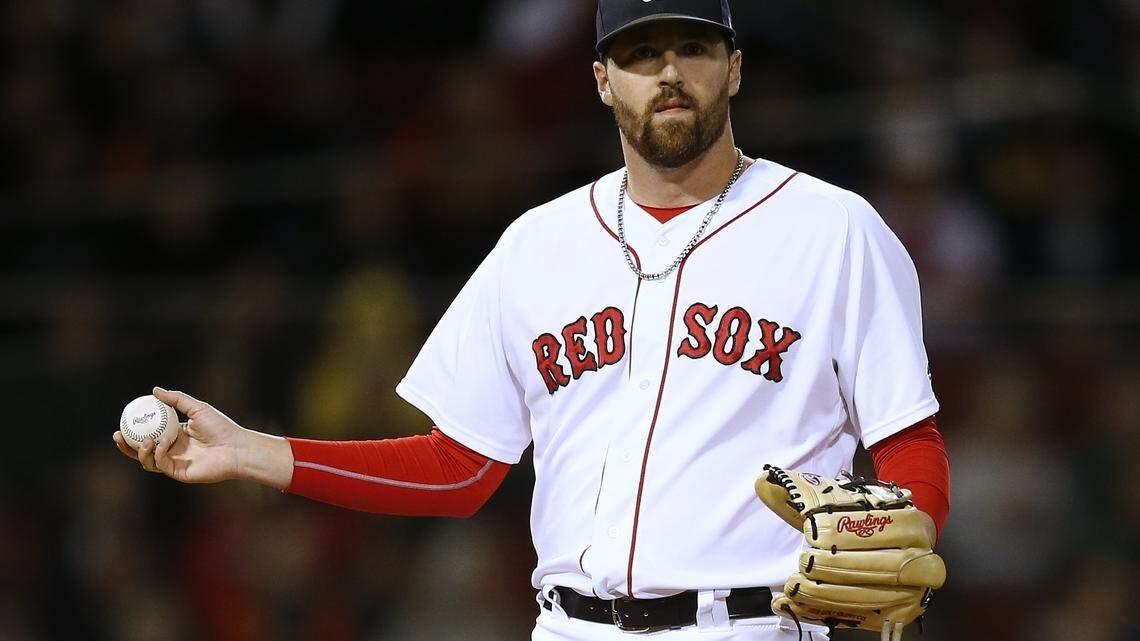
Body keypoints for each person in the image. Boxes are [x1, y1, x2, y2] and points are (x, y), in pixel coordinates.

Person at [114, 1, 950, 639]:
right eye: (639, 53)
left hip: (757, 624)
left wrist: (906, 521)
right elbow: (458, 467)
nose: (667, 73)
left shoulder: (833, 228)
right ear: (600, 79)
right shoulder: (536, 244)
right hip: (569, 624)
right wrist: (253, 452)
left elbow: (909, 435)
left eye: (692, 48)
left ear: (734, 68)